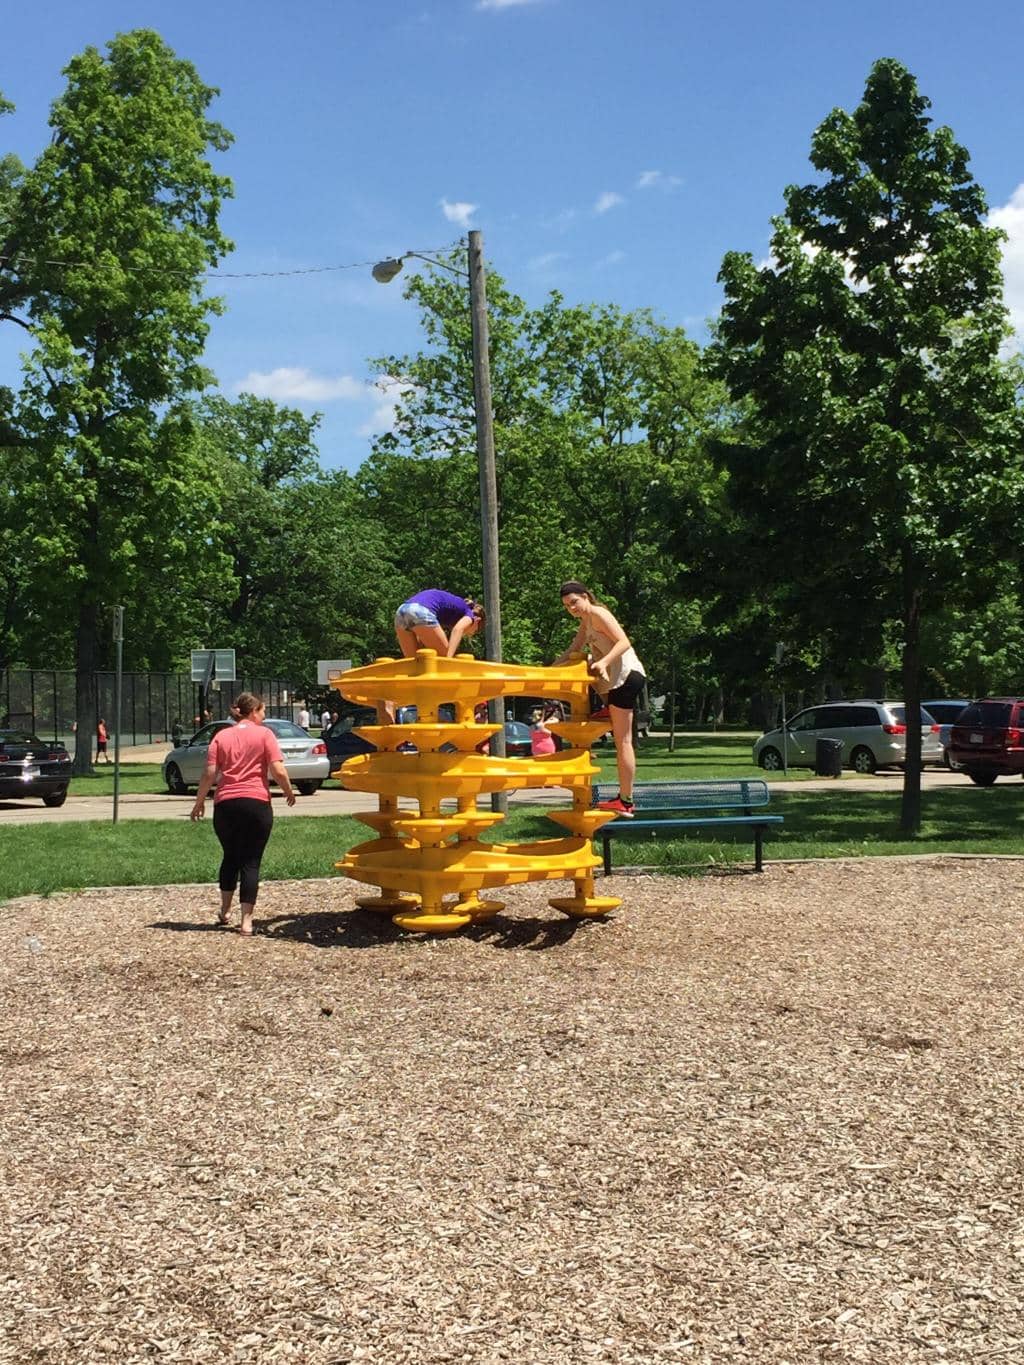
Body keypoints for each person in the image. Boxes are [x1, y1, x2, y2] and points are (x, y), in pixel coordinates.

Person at [189, 691, 296, 936]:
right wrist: (288, 791)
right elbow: (278, 769)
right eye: (263, 711)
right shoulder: (265, 735)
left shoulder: (221, 736)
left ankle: (225, 911)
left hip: (226, 804)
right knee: (251, 861)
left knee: (230, 857)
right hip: (256, 802)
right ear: (254, 712)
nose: (265, 716)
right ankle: (246, 921)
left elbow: (209, 772)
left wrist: (199, 801)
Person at [552, 580, 647, 818]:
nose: (571, 608)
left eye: (573, 602)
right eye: (566, 606)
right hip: (615, 682)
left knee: (623, 742)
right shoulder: (586, 622)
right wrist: (550, 671)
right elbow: (573, 649)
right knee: (583, 663)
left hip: (627, 677)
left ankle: (626, 800)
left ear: (585, 596)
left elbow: (624, 642)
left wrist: (603, 662)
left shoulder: (599, 613)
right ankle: (607, 709)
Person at [394, 589, 485, 658]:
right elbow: (458, 630)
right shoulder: (470, 614)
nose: (470, 634)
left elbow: (422, 635)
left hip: (402, 611)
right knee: (443, 658)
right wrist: (449, 658)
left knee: (414, 662)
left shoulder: (451, 611)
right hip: (421, 611)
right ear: (477, 620)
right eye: (475, 631)